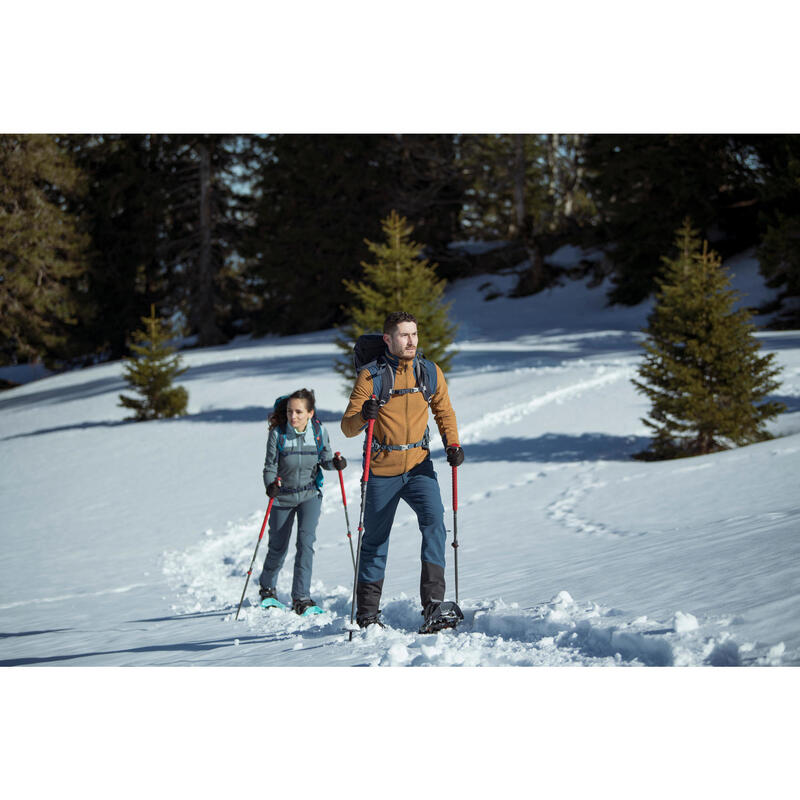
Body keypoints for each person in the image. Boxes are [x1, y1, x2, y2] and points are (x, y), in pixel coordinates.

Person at [341, 311, 464, 629]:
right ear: (388, 339)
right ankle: (367, 612)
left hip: (419, 466)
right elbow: (347, 427)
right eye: (404, 335)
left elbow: (444, 411)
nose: (411, 340)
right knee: (376, 540)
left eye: (415, 334)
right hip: (381, 470)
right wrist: (365, 414)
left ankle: (434, 605)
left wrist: (453, 444)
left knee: (435, 522)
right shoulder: (371, 376)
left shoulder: (429, 372)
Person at [259, 388, 346, 615]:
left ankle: (301, 598)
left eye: (298, 412)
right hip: (282, 497)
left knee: (305, 545)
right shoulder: (278, 434)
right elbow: (269, 466)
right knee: (278, 547)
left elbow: (325, 459)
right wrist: (271, 485)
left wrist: (335, 464)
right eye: (290, 412)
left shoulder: (318, 432)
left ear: (310, 413)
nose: (293, 416)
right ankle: (267, 588)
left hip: (309, 495)